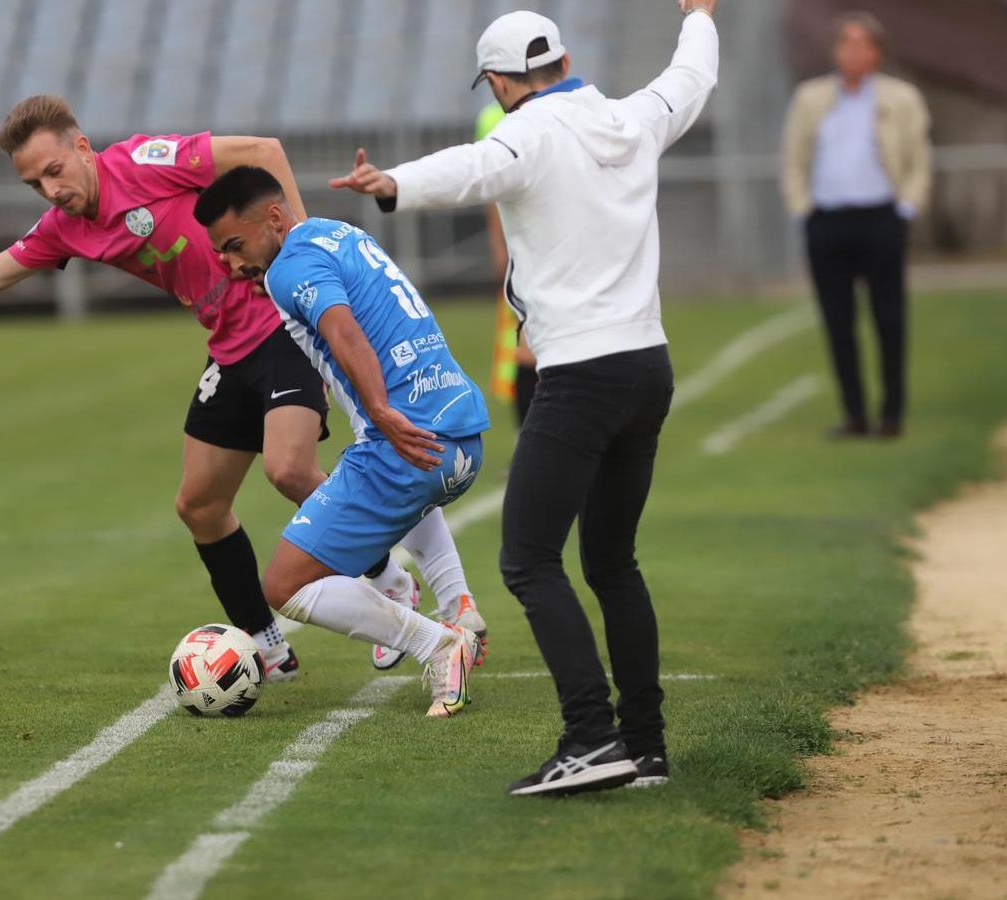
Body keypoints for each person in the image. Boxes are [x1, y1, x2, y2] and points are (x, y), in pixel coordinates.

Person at [0, 94, 441, 680]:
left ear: (85, 147)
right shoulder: (64, 226)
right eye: (34, 183)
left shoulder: (147, 162)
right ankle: (266, 646)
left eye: (55, 170)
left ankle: (389, 576)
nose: (51, 190)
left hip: (282, 330)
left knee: (286, 469)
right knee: (198, 505)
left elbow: (264, 148)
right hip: (229, 350)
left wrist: (302, 254)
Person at [331, 1, 719, 794]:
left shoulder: (526, 132)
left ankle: (591, 735)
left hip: (580, 376)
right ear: (563, 59)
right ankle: (645, 746)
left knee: (528, 557)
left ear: (503, 81)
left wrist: (390, 182)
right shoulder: (630, 116)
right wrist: (701, 14)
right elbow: (692, 77)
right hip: (649, 366)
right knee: (612, 562)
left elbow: (469, 170)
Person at [193, 166, 492, 717]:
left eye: (236, 246)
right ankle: (457, 605)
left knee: (284, 585)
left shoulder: (289, 268)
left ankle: (439, 643)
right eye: (223, 255)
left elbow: (342, 329)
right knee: (395, 494)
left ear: (276, 218)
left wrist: (380, 410)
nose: (234, 266)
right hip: (463, 438)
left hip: (405, 446)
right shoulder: (341, 233)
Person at [781, 12, 932, 440]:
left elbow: (919, 160)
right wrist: (802, 208)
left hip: (881, 218)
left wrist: (907, 207)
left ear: (877, 52)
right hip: (827, 221)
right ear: (835, 51)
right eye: (846, 42)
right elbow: (794, 158)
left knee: (889, 318)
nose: (853, 51)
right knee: (837, 321)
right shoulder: (812, 99)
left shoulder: (900, 99)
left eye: (862, 43)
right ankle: (854, 414)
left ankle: (892, 414)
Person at [476, 101, 538, 426]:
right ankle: (528, 431)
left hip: (556, 238)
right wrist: (499, 243)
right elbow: (493, 189)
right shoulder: (492, 118)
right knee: (525, 341)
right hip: (524, 243)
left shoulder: (553, 105)